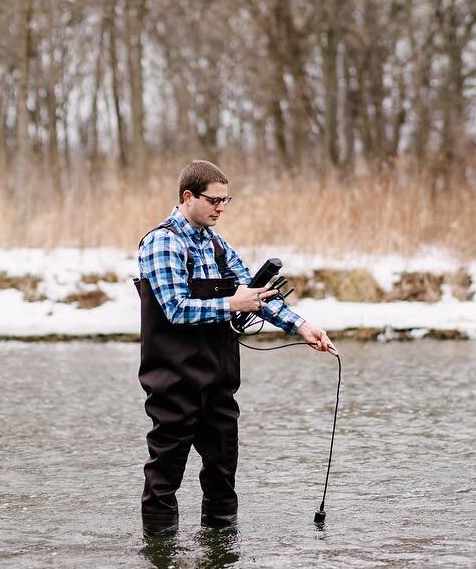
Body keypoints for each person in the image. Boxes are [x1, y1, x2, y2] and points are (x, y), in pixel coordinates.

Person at [135, 159, 336, 537]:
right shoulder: (162, 242)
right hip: (173, 383)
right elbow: (175, 308)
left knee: (222, 475)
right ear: (188, 196)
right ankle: (160, 562)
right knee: (165, 478)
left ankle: (223, 558)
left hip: (220, 382)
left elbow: (256, 295)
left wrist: (302, 326)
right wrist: (231, 304)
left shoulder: (217, 244)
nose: (221, 208)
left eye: (227, 200)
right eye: (214, 200)